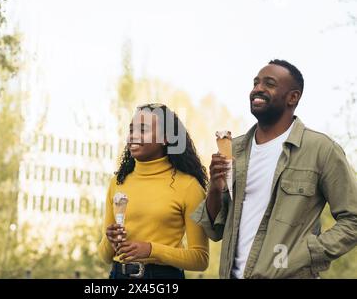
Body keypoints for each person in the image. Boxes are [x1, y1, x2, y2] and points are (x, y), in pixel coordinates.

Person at [192, 59, 357, 279]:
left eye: (269, 83)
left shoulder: (321, 149)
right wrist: (215, 186)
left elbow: (353, 219)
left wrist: (309, 253)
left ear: (293, 97)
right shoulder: (235, 150)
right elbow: (214, 230)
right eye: (255, 83)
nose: (257, 89)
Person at [98, 103, 209, 279]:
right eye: (131, 129)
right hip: (118, 274)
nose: (133, 136)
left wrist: (151, 250)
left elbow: (200, 259)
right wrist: (110, 240)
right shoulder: (118, 182)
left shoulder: (188, 186)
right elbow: (104, 257)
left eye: (143, 130)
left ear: (165, 138)